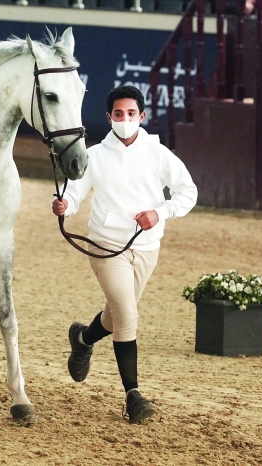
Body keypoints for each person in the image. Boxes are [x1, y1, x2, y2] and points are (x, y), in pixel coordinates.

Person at [51, 85, 197, 424]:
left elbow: (188, 192)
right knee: (127, 315)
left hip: (145, 248)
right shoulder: (95, 155)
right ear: (109, 118)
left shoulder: (158, 154)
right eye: (119, 114)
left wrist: (160, 213)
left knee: (116, 314)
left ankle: (83, 338)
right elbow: (74, 195)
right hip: (104, 246)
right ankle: (133, 396)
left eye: (131, 114)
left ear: (142, 116)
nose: (125, 119)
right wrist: (64, 205)